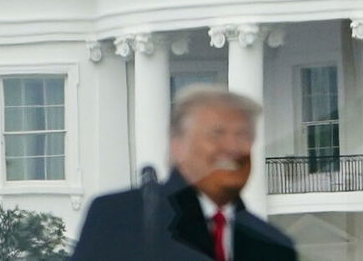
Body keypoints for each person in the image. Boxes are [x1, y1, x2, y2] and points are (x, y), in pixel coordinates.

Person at [71, 86, 296, 260]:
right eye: (217, 134)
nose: (232, 147)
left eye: (243, 136)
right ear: (178, 145)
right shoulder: (122, 216)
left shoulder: (274, 243)